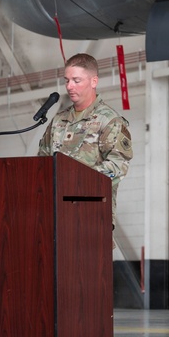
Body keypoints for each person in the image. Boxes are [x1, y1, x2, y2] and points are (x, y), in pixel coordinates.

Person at [38, 53, 133, 232]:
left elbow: (118, 166)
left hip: (92, 215)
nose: (69, 86)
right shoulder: (58, 120)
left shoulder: (109, 120)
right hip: (54, 214)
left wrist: (76, 182)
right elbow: (42, 161)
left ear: (93, 81)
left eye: (76, 80)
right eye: (67, 80)